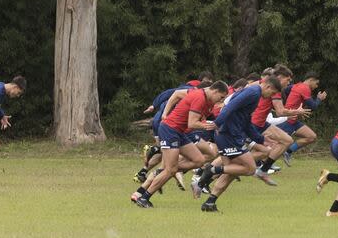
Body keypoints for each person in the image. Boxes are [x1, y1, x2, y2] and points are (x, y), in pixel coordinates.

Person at [132, 81, 229, 208]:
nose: (220, 101)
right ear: (215, 91)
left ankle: (163, 168)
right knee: (170, 170)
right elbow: (192, 123)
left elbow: (177, 94)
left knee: (199, 160)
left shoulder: (204, 95)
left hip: (180, 132)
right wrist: (211, 126)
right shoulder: (200, 97)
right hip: (170, 130)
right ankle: (144, 198)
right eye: (221, 97)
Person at [195, 76, 283, 212]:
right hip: (228, 135)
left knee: (230, 172)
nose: (270, 97)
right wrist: (217, 123)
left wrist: (260, 139)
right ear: (268, 86)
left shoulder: (255, 94)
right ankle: (211, 170)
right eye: (271, 93)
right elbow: (230, 107)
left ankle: (209, 203)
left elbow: (246, 121)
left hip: (230, 135)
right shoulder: (254, 93)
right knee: (250, 168)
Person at [279, 72, 327, 166]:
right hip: (287, 121)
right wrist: (319, 99)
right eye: (316, 83)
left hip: (293, 120)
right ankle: (261, 164)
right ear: (311, 80)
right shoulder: (305, 88)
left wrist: (290, 106)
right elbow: (313, 106)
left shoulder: (297, 85)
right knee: (274, 144)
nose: (316, 86)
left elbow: (284, 91)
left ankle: (288, 152)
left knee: (311, 137)